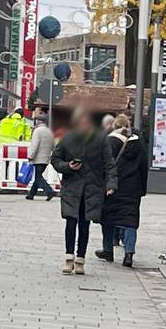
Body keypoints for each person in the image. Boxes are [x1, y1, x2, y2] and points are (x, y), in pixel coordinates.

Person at [53, 113, 109, 275]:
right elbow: (55, 159)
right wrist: (68, 166)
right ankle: (69, 258)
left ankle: (80, 260)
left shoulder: (100, 141)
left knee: (85, 225)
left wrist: (108, 184)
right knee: (70, 223)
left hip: (91, 190)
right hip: (72, 188)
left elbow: (108, 164)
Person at [102, 113, 150, 267]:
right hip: (133, 188)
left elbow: (104, 165)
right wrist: (142, 189)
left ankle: (108, 250)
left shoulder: (110, 142)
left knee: (108, 219)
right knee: (130, 221)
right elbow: (144, 169)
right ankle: (129, 254)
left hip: (113, 186)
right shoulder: (138, 144)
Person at [26, 113, 60, 201]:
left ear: (38, 121)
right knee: (38, 176)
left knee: (38, 177)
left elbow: (35, 144)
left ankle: (49, 191)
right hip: (46, 158)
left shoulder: (37, 131)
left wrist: (30, 156)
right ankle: (31, 194)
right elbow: (53, 145)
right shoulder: (50, 131)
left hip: (38, 158)